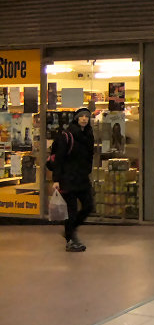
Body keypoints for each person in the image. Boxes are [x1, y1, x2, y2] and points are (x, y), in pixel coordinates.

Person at [52, 107, 95, 252]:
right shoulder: (67, 135)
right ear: (76, 118)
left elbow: (89, 156)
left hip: (82, 178)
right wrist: (56, 179)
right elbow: (59, 158)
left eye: (87, 117)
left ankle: (70, 230)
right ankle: (70, 239)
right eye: (81, 116)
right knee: (71, 210)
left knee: (88, 206)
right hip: (67, 178)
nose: (84, 119)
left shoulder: (88, 135)